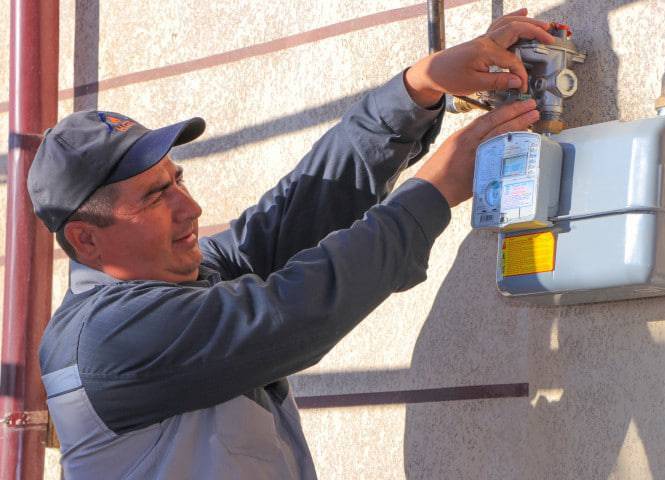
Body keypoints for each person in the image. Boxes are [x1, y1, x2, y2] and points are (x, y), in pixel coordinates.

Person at [28, 9, 552, 480]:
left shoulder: (182, 280)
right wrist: (433, 191)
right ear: (86, 239)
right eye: (154, 196)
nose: (190, 208)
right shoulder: (106, 338)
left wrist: (416, 88)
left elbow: (295, 211)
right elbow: (293, 311)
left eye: (177, 179)